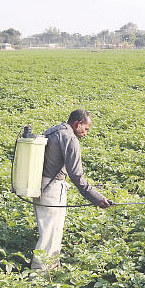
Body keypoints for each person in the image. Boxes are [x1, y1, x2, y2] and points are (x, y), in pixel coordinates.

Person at [31, 109, 112, 270]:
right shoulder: (70, 139)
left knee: (48, 232)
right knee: (50, 235)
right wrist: (97, 198)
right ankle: (39, 276)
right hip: (52, 190)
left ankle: (52, 270)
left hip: (38, 185)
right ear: (78, 124)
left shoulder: (54, 130)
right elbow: (77, 177)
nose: (86, 133)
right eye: (86, 129)